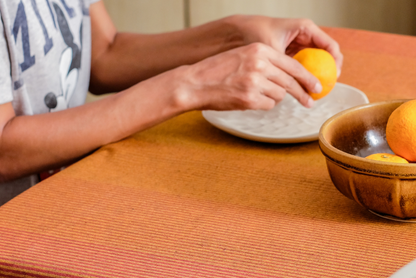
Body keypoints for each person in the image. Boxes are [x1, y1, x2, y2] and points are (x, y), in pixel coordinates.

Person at [0, 0, 343, 204]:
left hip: (62, 195)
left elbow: (102, 54)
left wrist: (235, 33)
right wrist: (187, 86)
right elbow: (4, 148)